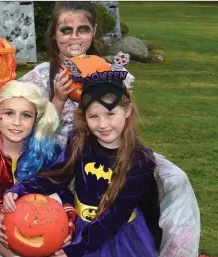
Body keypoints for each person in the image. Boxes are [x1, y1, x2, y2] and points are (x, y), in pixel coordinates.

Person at [18, 2, 200, 256]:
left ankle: (175, 250)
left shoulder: (108, 71)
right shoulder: (41, 76)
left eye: (82, 29)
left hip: (110, 149)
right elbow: (27, 133)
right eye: (66, 30)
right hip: (62, 157)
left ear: (93, 30)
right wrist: (58, 100)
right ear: (54, 34)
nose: (74, 37)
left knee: (174, 178)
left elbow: (122, 119)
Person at [3, 72, 159, 257]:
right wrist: (21, 188)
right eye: (94, 116)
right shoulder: (79, 142)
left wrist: (78, 249)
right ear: (84, 116)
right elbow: (59, 174)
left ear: (127, 111)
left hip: (119, 235)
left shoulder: (139, 160)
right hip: (82, 228)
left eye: (110, 114)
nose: (103, 124)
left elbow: (116, 215)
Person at [0, 80, 75, 257]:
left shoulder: (44, 155)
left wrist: (69, 223)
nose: (17, 122)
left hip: (38, 226)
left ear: (36, 121)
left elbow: (62, 195)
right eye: (9, 113)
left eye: (26, 115)